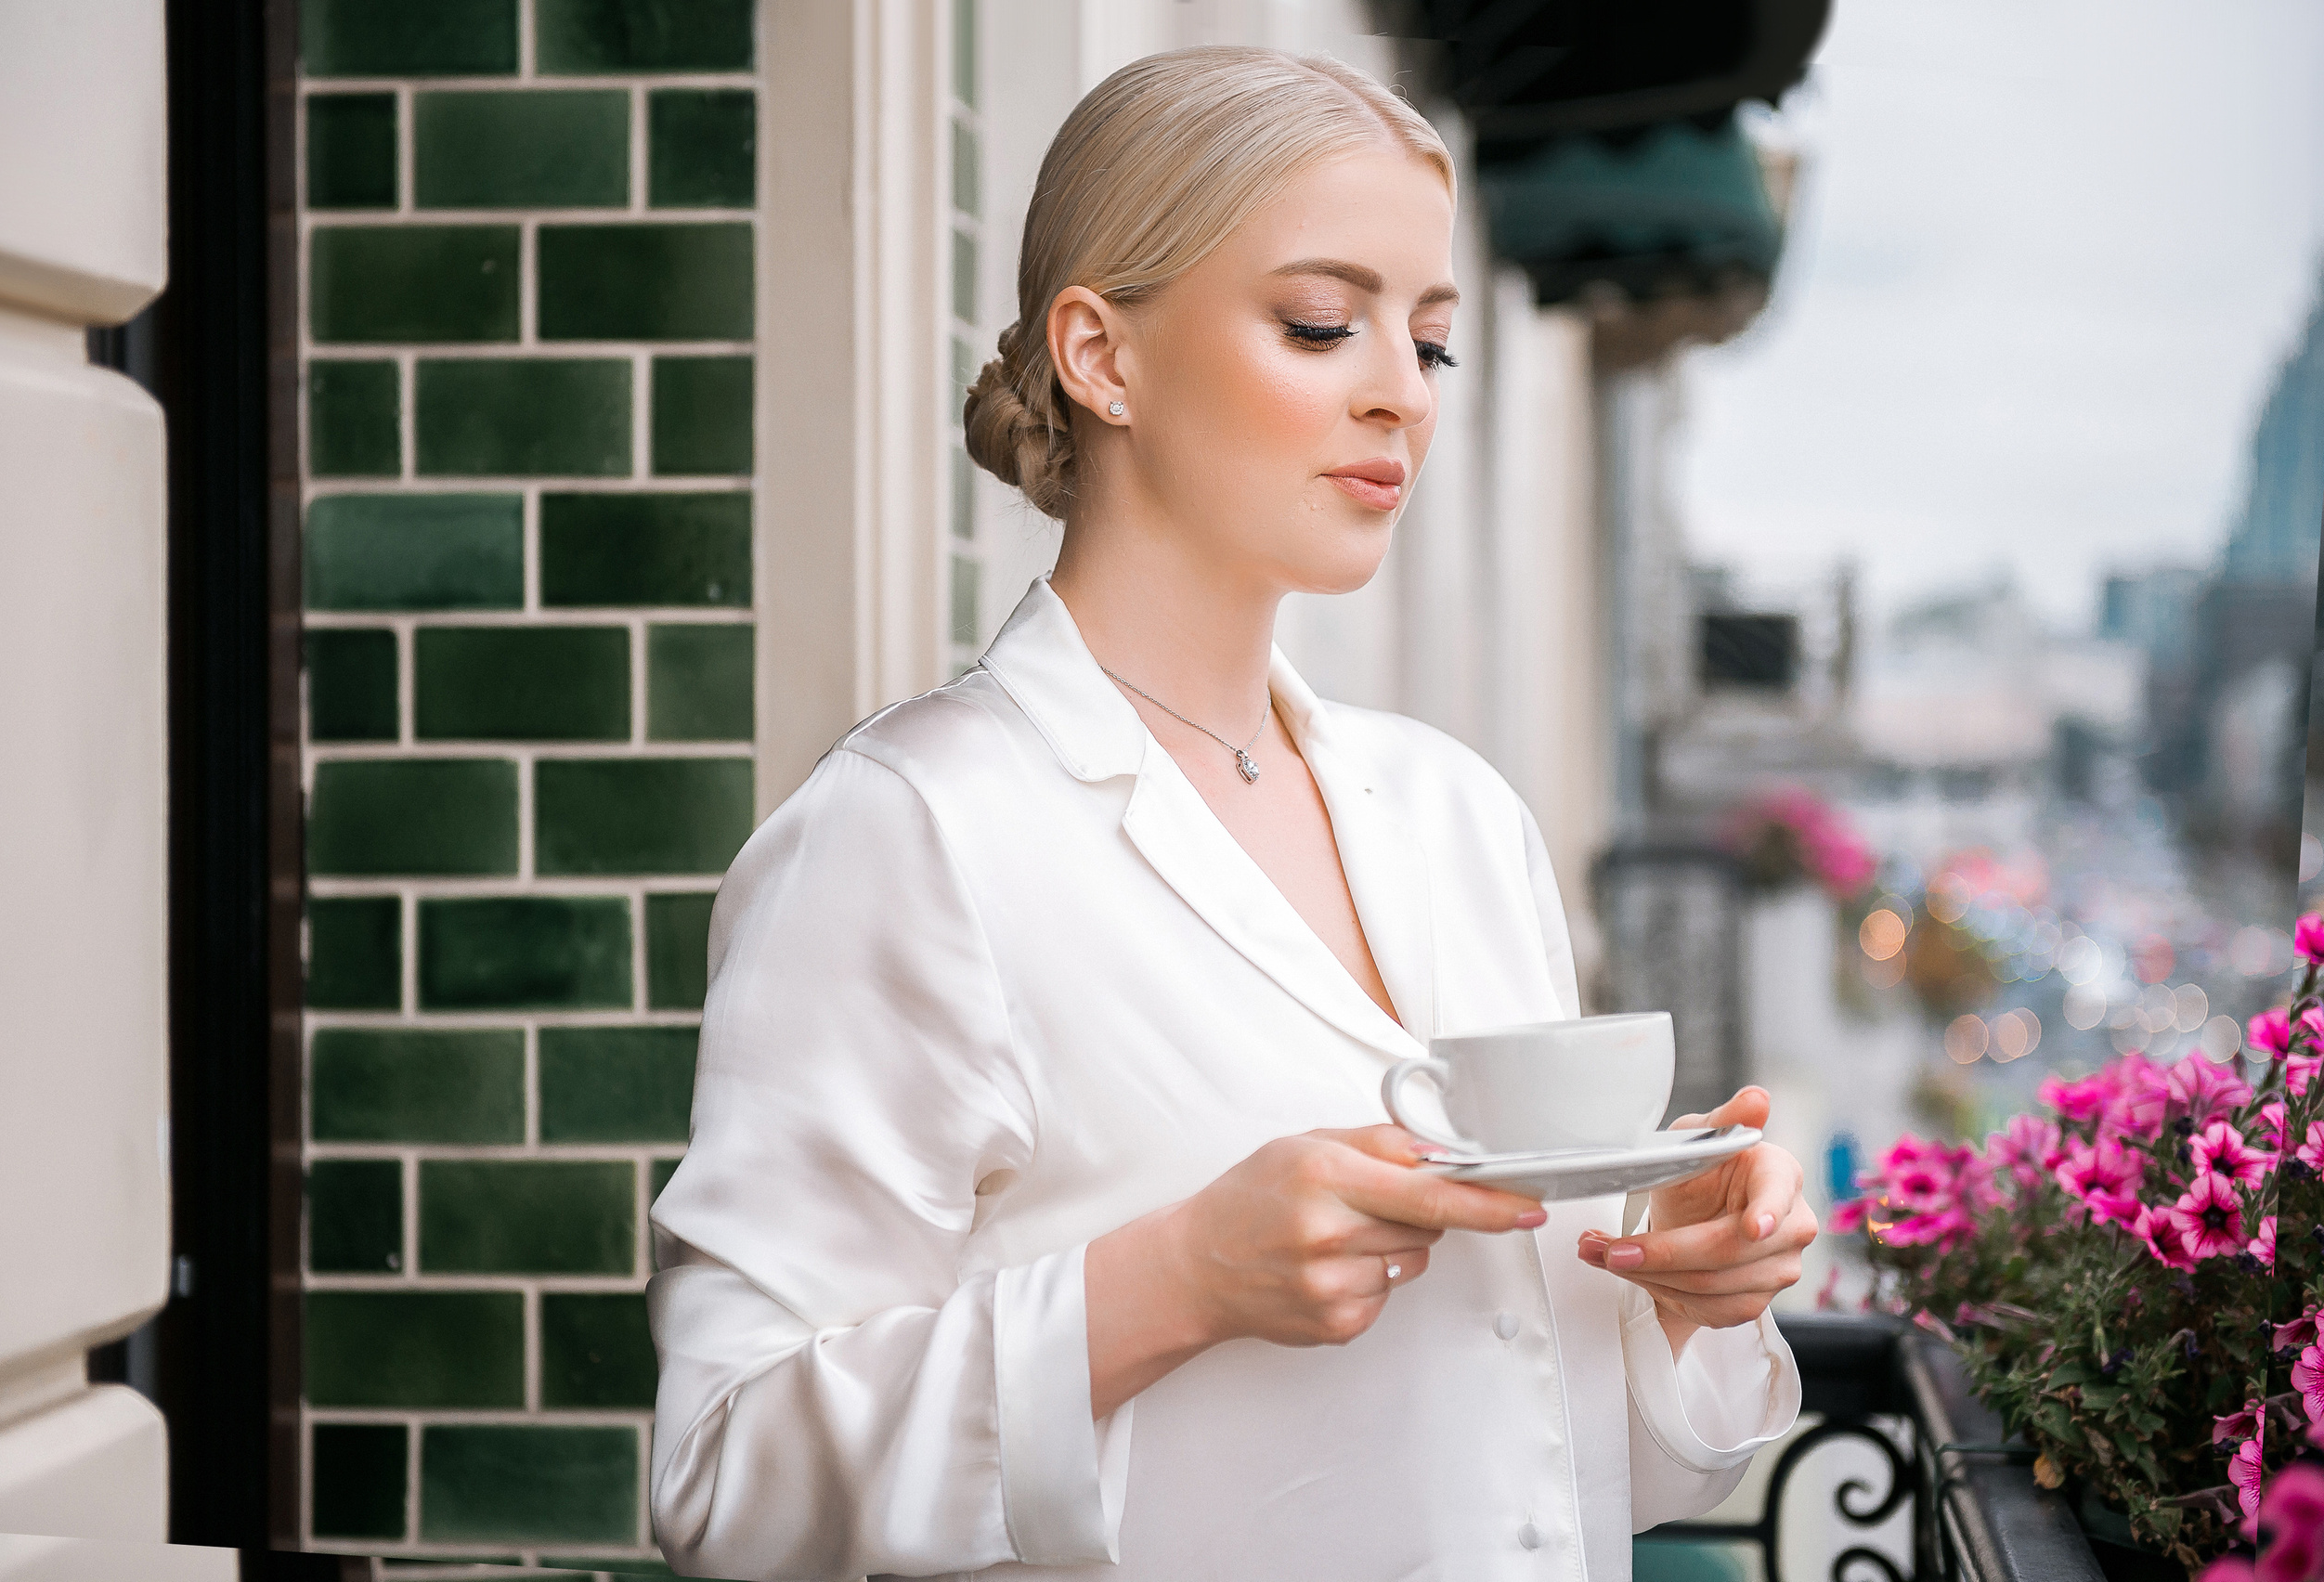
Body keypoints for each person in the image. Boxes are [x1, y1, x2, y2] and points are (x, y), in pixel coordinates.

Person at [648, 45, 1811, 1582]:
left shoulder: (1463, 817)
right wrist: (1172, 1281)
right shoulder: (912, 834)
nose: (1402, 391)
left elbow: (1543, 1451)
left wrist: (1685, 1286)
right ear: (1101, 356)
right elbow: (724, 1479)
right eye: (1322, 323)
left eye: (1433, 342)